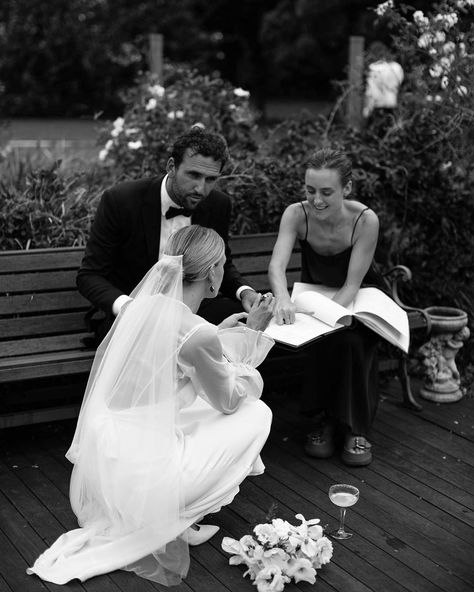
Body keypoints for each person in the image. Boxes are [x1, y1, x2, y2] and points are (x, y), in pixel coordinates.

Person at [27, 225, 275, 586]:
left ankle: (172, 519)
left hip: (111, 456)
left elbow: (187, 355)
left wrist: (218, 337)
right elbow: (229, 398)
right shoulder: (197, 332)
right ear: (211, 273)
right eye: (222, 263)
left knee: (199, 407)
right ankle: (177, 515)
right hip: (148, 473)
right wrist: (253, 334)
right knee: (256, 413)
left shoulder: (144, 307)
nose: (224, 270)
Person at [77, 127, 260, 343]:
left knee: (250, 322)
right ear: (171, 166)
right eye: (193, 175)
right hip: (131, 314)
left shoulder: (217, 204)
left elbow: (220, 264)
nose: (200, 189)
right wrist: (131, 309)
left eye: (211, 179)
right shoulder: (121, 201)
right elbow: (90, 276)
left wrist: (245, 292)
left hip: (192, 312)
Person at [268, 148, 385, 466]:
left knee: (347, 339)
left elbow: (352, 284)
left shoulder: (365, 220)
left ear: (346, 188)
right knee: (322, 339)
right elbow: (277, 268)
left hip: (358, 299)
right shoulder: (296, 214)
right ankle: (325, 421)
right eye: (310, 190)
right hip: (312, 296)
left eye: (326, 192)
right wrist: (283, 298)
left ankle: (354, 428)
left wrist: (329, 317)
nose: (316, 200)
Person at [362, 42, 404, 120]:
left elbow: (370, 93)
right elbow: (398, 85)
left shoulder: (373, 68)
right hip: (392, 106)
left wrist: (367, 109)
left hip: (378, 107)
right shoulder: (397, 67)